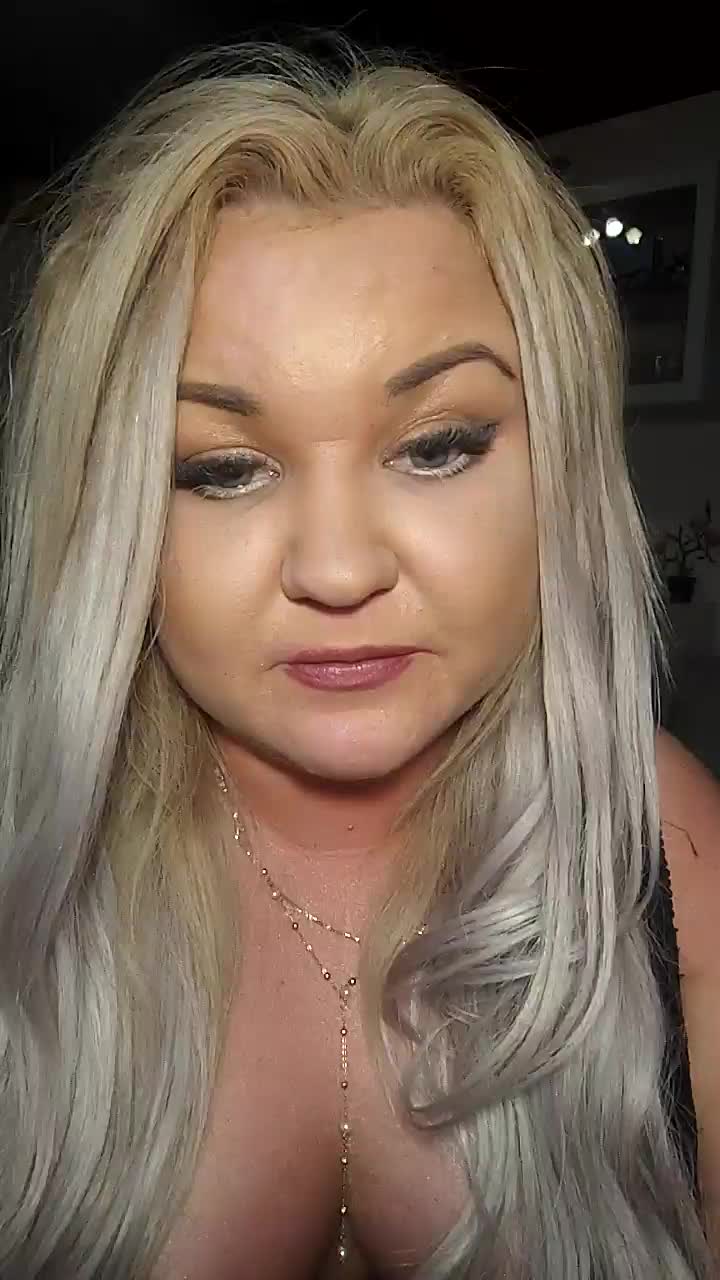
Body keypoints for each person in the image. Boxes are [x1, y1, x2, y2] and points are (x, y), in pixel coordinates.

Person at [0, 39, 719, 1280]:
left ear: (560, 472)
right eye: (222, 467)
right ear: (111, 513)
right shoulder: (27, 855)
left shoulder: (666, 844)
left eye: (437, 446)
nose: (337, 570)